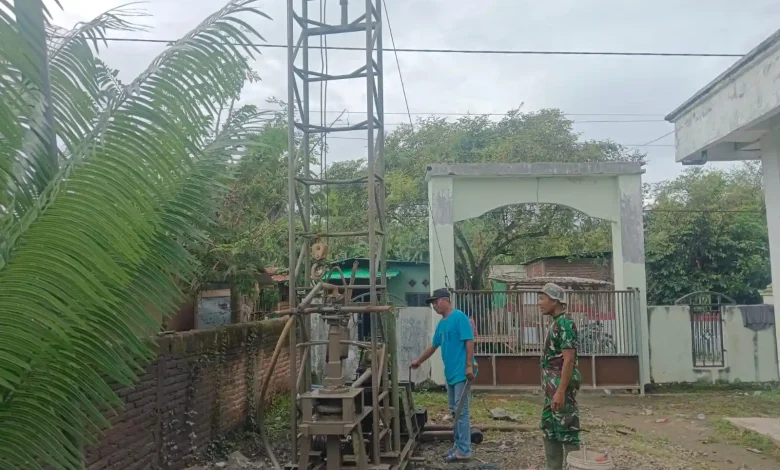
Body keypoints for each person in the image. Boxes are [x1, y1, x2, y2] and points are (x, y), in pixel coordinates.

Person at [410, 288, 475, 463]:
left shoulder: (459, 317)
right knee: (454, 411)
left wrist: (469, 365)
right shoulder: (442, 323)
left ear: (445, 300)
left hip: (462, 372)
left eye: (435, 302)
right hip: (451, 373)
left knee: (461, 412)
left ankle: (465, 451)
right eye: (432, 303)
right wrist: (419, 361)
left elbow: (469, 341)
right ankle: (459, 445)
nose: (434, 306)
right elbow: (433, 346)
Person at [538, 283, 581, 470]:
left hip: (559, 386)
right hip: (551, 387)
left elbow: (569, 360)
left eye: (542, 298)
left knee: (567, 428)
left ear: (554, 301)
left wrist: (561, 391)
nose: (539, 303)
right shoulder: (556, 323)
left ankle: (576, 465)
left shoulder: (565, 324)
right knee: (550, 428)